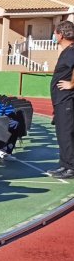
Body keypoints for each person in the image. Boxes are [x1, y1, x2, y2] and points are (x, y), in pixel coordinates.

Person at [49, 20, 74, 178]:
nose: (54, 35)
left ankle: (70, 167)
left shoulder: (71, 51)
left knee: (66, 133)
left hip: (66, 100)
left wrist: (72, 85)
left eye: (56, 33)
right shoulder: (66, 50)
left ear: (62, 34)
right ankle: (64, 164)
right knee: (62, 133)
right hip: (60, 100)